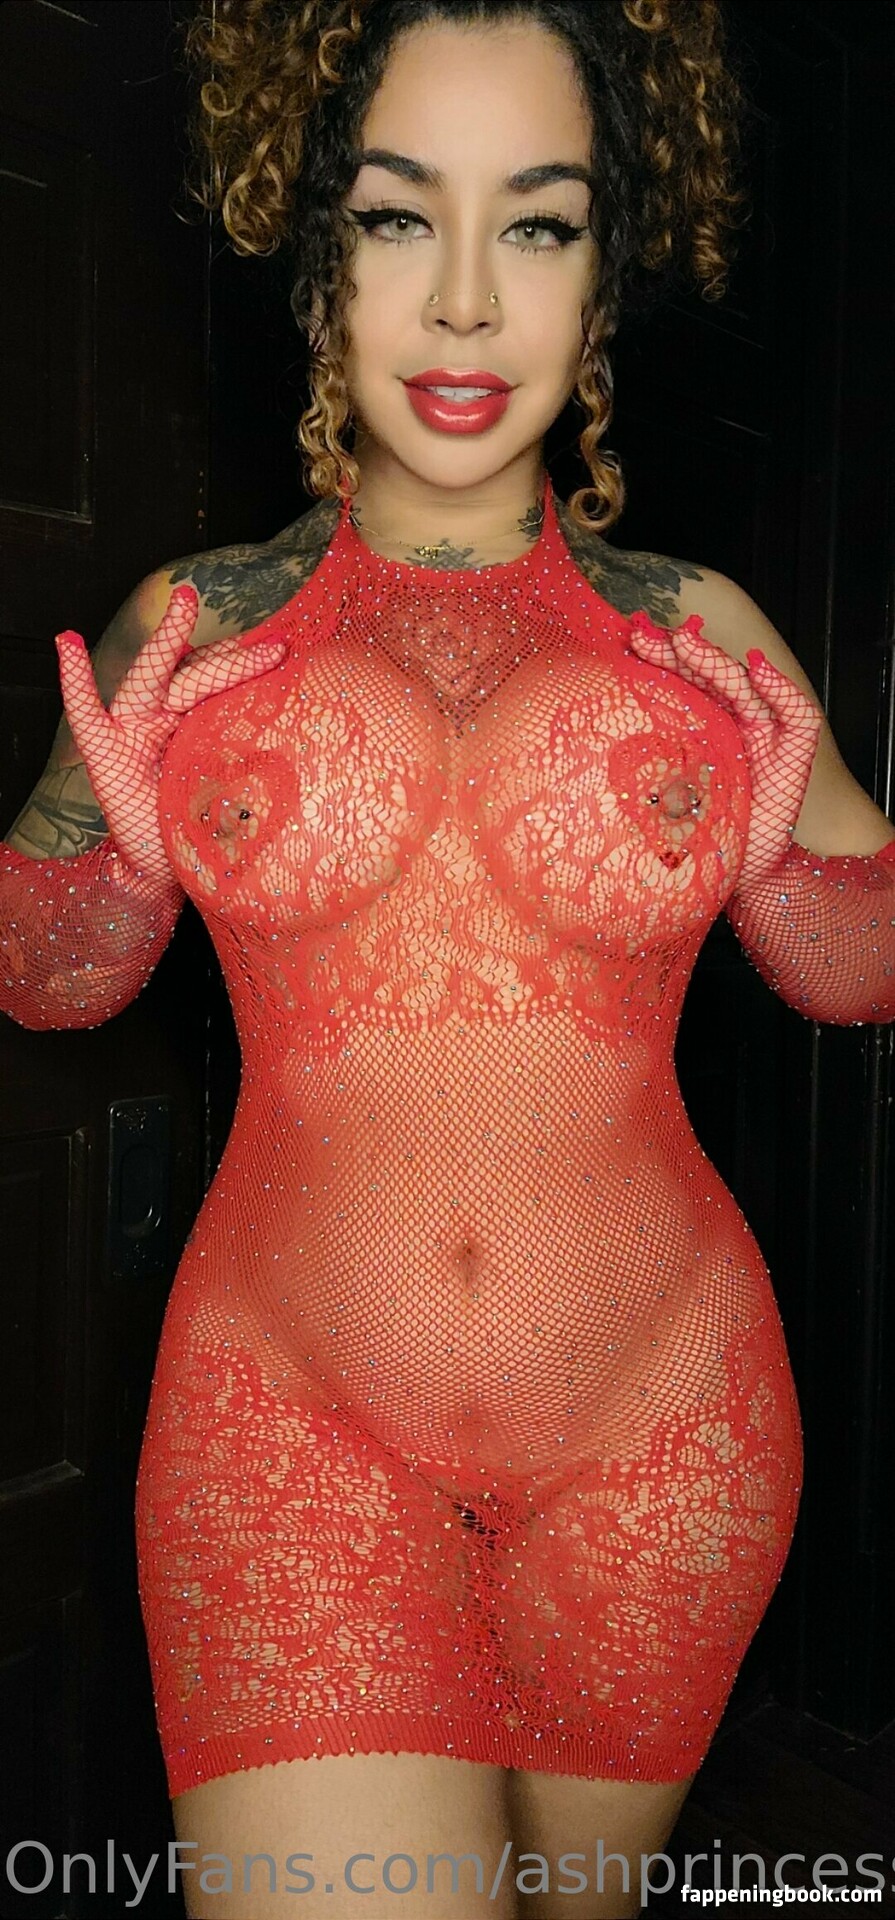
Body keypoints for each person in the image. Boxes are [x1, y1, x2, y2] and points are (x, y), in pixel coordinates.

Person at [2, 3, 895, 1916]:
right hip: (288, 1428)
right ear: (317, 249)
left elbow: (859, 974)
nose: (469, 300)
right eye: (401, 216)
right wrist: (118, 875)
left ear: (606, 273)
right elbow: (43, 982)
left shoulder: (704, 633)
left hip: (668, 1437)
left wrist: (785, 874)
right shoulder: (194, 627)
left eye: (539, 224)